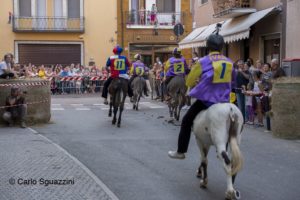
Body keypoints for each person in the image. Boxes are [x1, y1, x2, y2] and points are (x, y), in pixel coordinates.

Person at [168, 28, 235, 159]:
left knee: (186, 121)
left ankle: (181, 151)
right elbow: (233, 80)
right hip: (224, 100)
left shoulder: (203, 61)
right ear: (222, 46)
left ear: (208, 46)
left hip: (207, 100)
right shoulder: (229, 61)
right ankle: (222, 150)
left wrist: (191, 86)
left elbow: (191, 78)